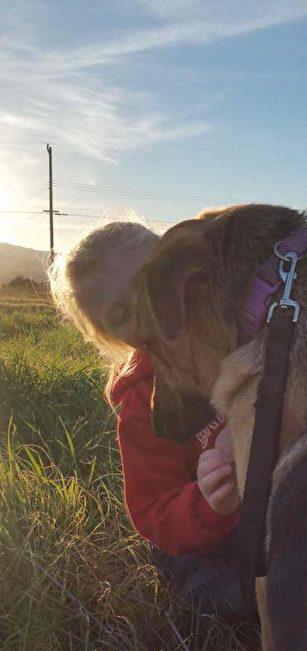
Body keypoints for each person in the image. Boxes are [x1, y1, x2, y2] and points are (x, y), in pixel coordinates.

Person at [50, 220, 242, 618]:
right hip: (202, 543)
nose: (147, 310)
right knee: (227, 592)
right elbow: (153, 512)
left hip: (269, 513)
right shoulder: (141, 405)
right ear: (109, 335)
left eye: (149, 282)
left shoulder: (242, 333)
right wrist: (208, 502)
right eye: (121, 315)